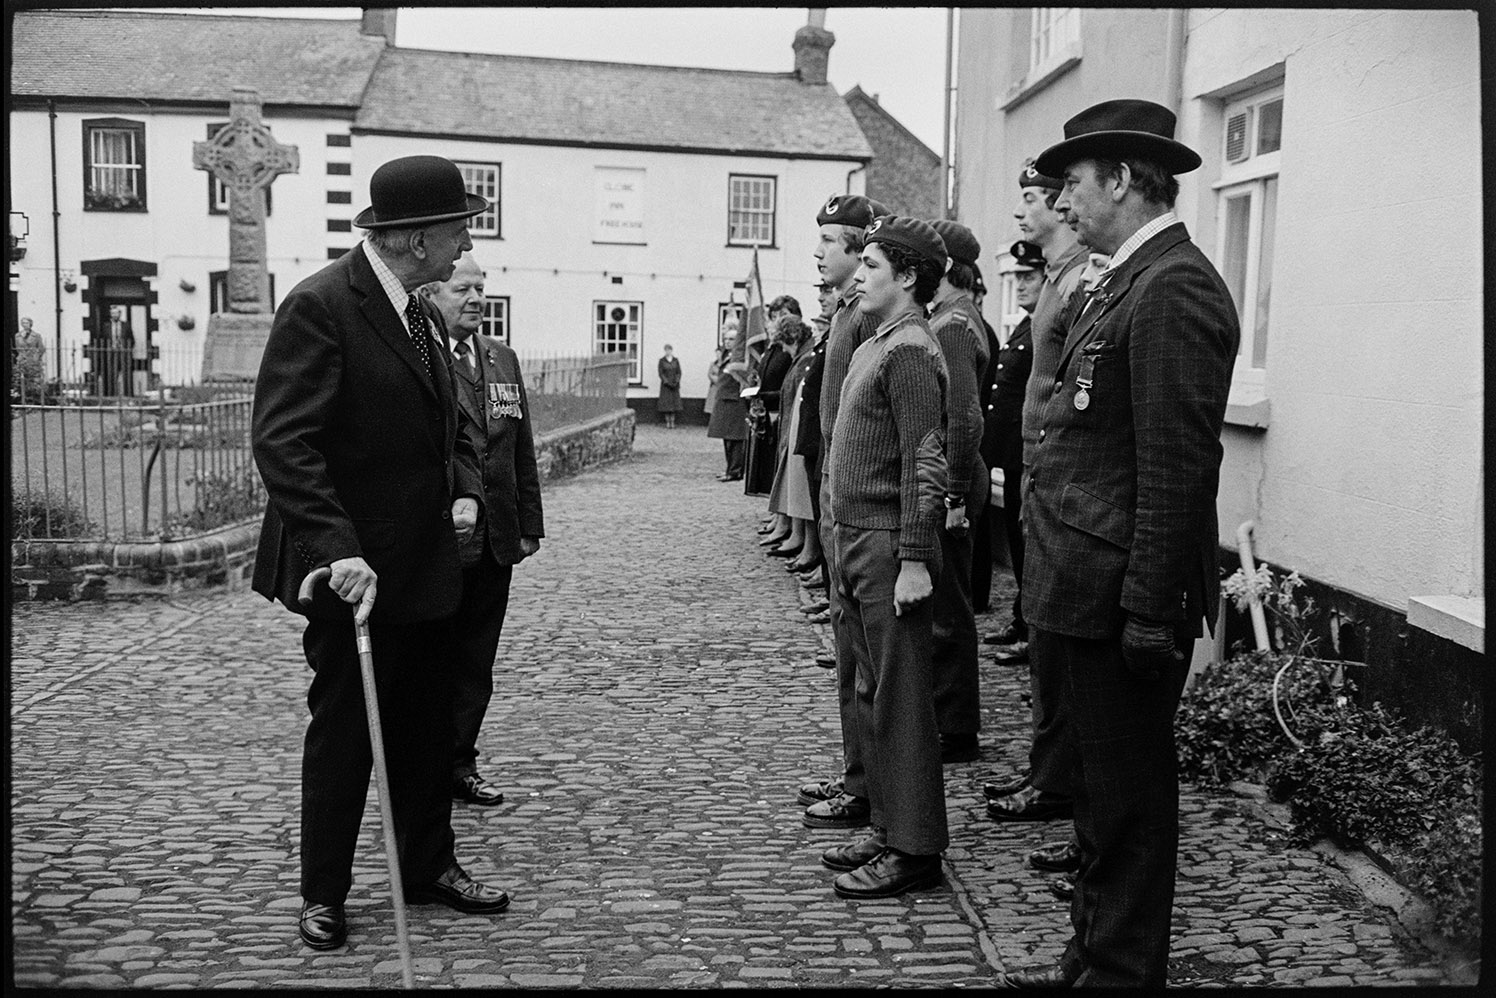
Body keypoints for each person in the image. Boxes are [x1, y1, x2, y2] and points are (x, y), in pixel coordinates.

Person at [999, 99, 1239, 990]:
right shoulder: (1127, 278)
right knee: (1098, 803)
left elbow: (1176, 467)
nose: (1061, 205)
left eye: (1072, 187)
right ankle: (1090, 959)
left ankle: (1121, 973)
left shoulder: (1174, 286)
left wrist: (1145, 611)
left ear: (1126, 181)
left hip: (1118, 601)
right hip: (1084, 588)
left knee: (1129, 808)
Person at [251, 155, 511, 953]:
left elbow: (442, 432)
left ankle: (427, 865)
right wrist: (335, 549)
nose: (468, 235)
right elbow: (284, 442)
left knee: (427, 726)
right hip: (355, 573)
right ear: (414, 237)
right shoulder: (322, 306)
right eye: (458, 224)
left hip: (429, 563)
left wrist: (462, 498)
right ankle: (323, 893)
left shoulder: (419, 310)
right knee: (346, 731)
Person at [818, 214, 950, 899]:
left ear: (907, 278)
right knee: (872, 686)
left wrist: (916, 558)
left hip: (886, 543)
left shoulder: (913, 352)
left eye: (871, 265)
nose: (859, 275)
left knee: (900, 698)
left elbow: (925, 463)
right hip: (854, 537)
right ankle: (887, 822)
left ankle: (915, 848)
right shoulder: (881, 340)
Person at [980, 156, 1093, 827]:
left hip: (1067, 489)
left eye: (1034, 198)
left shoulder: (1082, 281)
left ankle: (1061, 787)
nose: (1023, 212)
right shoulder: (1057, 280)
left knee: (1064, 661)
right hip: (1041, 485)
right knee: (1047, 654)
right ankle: (1051, 778)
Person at [423, 252, 544, 809]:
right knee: (432, 658)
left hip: (494, 536)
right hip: (438, 539)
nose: (475, 298)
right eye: (461, 288)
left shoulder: (501, 358)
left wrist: (528, 524)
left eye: (481, 288)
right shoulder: (421, 360)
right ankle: (422, 767)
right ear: (430, 295)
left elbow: (519, 446)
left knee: (476, 659)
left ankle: (460, 763)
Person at [796, 192, 889, 824]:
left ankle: (864, 785)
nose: (819, 250)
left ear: (860, 247)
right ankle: (855, 774)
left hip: (854, 494)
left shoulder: (863, 314)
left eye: (831, 240)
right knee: (848, 652)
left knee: (861, 660)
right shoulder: (850, 311)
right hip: (837, 488)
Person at [924, 218, 991, 766]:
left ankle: (955, 728)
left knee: (948, 609)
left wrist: (953, 497)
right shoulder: (957, 317)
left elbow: (963, 419)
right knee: (947, 603)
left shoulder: (952, 324)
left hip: (954, 476)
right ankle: (948, 719)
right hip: (957, 474)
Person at [706, 318, 749, 481]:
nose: (728, 342)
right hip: (724, 400)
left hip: (735, 400)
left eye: (731, 339)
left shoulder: (738, 357)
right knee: (726, 438)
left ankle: (735, 470)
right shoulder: (724, 355)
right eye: (726, 339)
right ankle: (729, 468)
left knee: (736, 439)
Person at [14, 316, 46, 403]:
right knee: (22, 380)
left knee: (35, 381)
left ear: (30, 324)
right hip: (22, 360)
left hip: (33, 361)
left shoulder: (36, 336)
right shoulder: (17, 335)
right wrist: (21, 355)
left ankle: (36, 400)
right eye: (23, 323)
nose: (24, 325)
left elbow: (41, 348)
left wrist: (36, 357)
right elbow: (17, 348)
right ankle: (23, 400)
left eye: (26, 323)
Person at [656, 344, 682, 428]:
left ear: (671, 350)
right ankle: (667, 422)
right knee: (666, 404)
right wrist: (666, 382)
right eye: (666, 350)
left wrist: (676, 381)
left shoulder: (676, 360)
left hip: (675, 385)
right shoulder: (662, 361)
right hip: (666, 386)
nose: (668, 351)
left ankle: (673, 421)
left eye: (669, 350)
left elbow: (679, 372)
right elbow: (661, 373)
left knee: (674, 404)